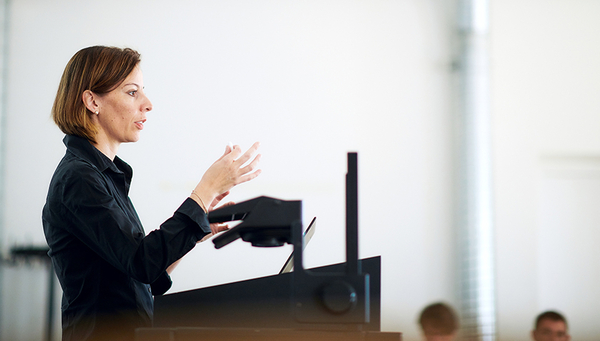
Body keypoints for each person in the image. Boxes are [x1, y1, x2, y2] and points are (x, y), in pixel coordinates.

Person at [42, 45, 261, 341]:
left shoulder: (102, 176)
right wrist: (205, 189)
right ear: (92, 101)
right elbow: (142, 262)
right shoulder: (79, 179)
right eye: (132, 92)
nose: (148, 104)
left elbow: (144, 273)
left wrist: (196, 228)